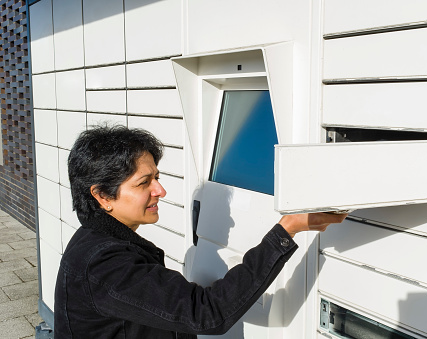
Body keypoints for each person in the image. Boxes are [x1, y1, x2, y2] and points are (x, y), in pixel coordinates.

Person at [54, 125, 347, 338]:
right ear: (102, 196)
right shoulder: (105, 264)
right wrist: (287, 229)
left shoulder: (100, 242)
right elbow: (206, 314)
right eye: (144, 183)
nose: (161, 190)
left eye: (157, 177)